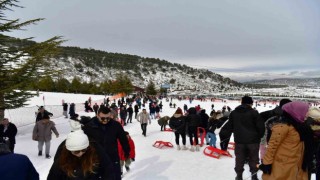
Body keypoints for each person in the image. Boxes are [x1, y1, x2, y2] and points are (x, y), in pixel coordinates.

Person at [258, 101, 312, 180]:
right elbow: (272, 146)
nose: (307, 114)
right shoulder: (283, 126)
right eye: (305, 111)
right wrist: (267, 163)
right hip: (282, 166)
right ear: (297, 112)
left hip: (295, 165)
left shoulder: (299, 126)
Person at [82, 106, 130, 180]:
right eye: (103, 118)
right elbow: (81, 142)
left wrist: (127, 151)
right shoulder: (89, 126)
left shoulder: (115, 125)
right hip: (96, 160)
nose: (105, 120)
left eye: (108, 118)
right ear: (97, 115)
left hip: (112, 158)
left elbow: (123, 139)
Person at [48, 130, 115, 180]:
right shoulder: (62, 158)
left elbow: (108, 169)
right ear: (69, 150)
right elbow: (53, 176)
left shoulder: (95, 151)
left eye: (83, 150)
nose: (80, 153)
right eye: (76, 152)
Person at [228, 96, 265, 180]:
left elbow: (230, 126)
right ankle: (254, 176)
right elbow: (261, 127)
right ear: (250, 103)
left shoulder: (233, 113)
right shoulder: (254, 112)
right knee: (254, 158)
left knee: (239, 159)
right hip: (253, 141)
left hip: (239, 140)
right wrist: (258, 136)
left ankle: (239, 176)